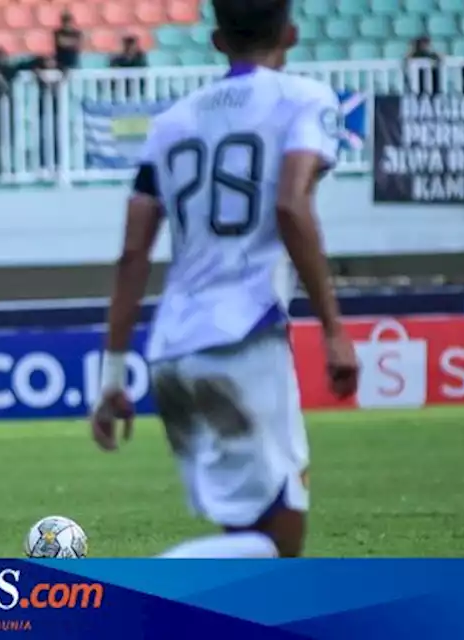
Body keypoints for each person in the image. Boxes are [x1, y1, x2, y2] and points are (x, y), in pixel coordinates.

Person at [89, 0, 358, 559]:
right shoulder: (304, 100)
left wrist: (112, 374)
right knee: (277, 545)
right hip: (243, 338)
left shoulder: (171, 123)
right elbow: (290, 204)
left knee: (248, 536)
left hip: (172, 351)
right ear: (291, 33)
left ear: (216, 41)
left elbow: (133, 252)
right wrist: (334, 327)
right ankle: (125, 600)